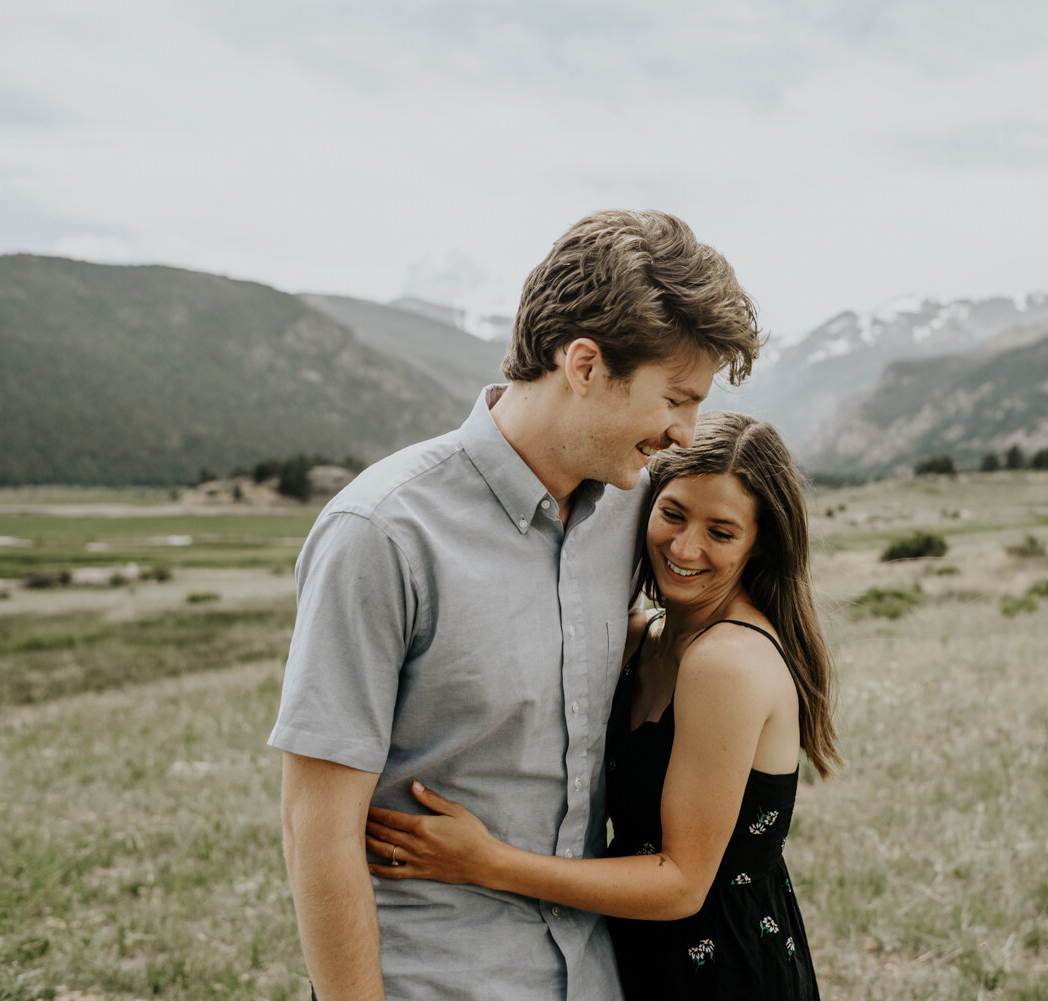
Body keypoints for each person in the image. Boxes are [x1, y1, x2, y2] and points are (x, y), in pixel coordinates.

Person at [267, 210, 761, 1001]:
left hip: (597, 976)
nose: (684, 431)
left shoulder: (636, 514)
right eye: (676, 398)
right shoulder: (383, 533)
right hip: (436, 977)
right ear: (585, 364)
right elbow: (315, 827)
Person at [364, 411, 840, 1000]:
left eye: (721, 532)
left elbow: (682, 883)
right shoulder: (645, 638)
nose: (685, 547)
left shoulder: (727, 663)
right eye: (673, 514)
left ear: (758, 544)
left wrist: (487, 862)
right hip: (635, 953)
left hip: (719, 972)